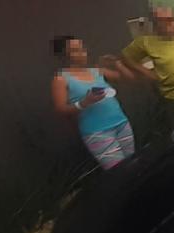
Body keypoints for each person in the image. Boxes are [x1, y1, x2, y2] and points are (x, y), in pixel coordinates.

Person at [51, 36, 137, 170]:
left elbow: (130, 79)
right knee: (119, 171)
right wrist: (84, 103)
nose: (82, 52)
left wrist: (117, 63)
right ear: (65, 56)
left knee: (134, 163)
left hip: (121, 123)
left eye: (82, 48)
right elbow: (60, 109)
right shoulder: (61, 79)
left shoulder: (97, 71)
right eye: (75, 50)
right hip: (97, 132)